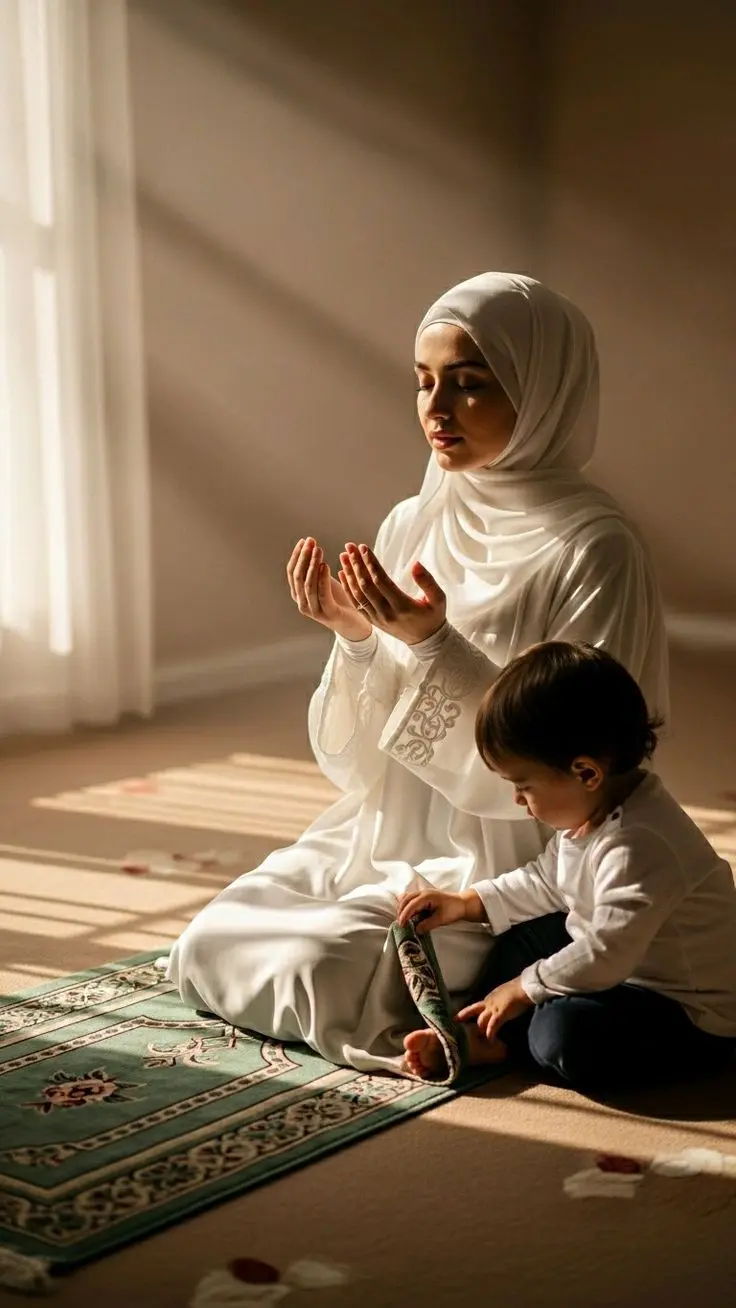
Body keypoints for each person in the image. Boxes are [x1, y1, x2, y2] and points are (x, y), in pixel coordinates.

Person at [168, 271, 669, 1076]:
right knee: (213, 941)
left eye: (469, 387)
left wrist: (437, 643)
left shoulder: (595, 547)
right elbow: (366, 755)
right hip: (388, 833)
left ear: (543, 393)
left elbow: (589, 744)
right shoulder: (415, 518)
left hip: (507, 849)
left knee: (317, 969)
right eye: (424, 383)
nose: (437, 410)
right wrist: (357, 638)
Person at [398, 642, 736, 1091]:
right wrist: (467, 902)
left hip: (685, 1011)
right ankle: (486, 1028)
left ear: (587, 773)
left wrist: (524, 987)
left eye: (523, 785)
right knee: (526, 933)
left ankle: (508, 1034)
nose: (518, 799)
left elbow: (607, 952)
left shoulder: (640, 844)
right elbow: (546, 881)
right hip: (620, 968)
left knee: (563, 1036)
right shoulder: (593, 813)